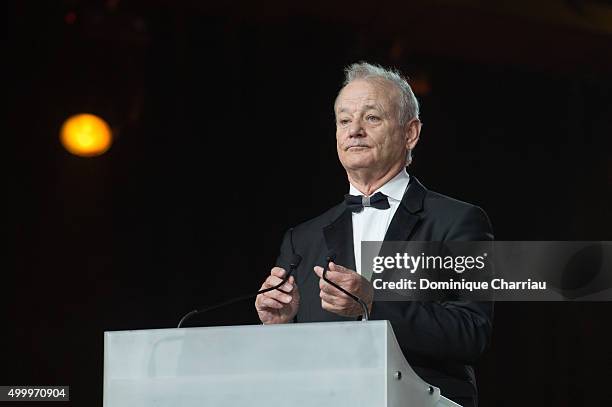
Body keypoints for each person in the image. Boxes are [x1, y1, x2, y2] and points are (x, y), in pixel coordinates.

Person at [254, 62, 493, 407]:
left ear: (410, 133)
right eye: (344, 120)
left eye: (372, 118)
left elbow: (473, 332)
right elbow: (289, 362)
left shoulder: (459, 221)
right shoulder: (302, 239)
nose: (354, 131)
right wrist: (279, 328)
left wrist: (373, 306)